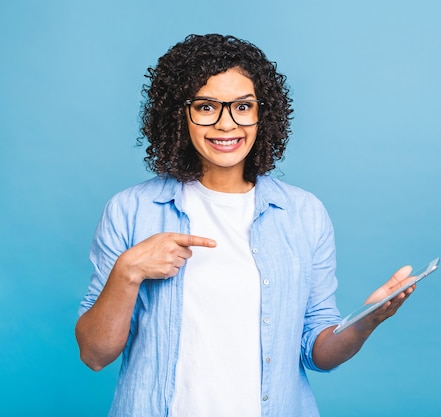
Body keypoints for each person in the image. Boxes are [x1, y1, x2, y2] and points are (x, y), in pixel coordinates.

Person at [75, 33, 418, 417]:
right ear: (178, 114)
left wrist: (364, 321)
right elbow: (94, 354)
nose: (226, 124)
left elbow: (318, 354)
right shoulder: (131, 210)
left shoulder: (304, 213)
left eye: (242, 106)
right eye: (206, 107)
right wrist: (128, 271)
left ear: (262, 113)